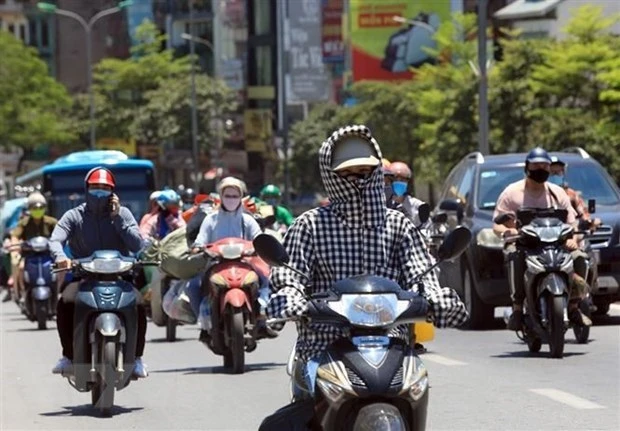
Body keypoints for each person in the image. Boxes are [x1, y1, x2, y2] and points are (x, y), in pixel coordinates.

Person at [267, 124, 468, 398]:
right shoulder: (309, 225)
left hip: (391, 346)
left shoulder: (398, 225)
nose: (358, 181)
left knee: (416, 392)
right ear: (331, 176)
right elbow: (290, 277)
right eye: (347, 175)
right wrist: (290, 298)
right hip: (322, 348)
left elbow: (421, 274)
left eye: (365, 173)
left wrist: (436, 298)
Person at [49, 167, 148, 377]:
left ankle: (137, 358)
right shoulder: (73, 216)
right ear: (87, 189)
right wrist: (61, 257)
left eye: (105, 188)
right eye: (95, 187)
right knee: (66, 302)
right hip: (84, 277)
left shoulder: (124, 214)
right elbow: (56, 239)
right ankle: (68, 356)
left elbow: (138, 244)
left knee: (138, 304)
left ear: (113, 191)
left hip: (119, 276)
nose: (100, 192)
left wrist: (118, 217)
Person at [493, 148, 592, 331]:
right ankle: (516, 309)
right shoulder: (512, 193)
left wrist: (573, 240)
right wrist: (507, 232)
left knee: (581, 258)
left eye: (545, 166)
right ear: (527, 167)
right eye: (536, 165)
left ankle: (574, 306)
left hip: (557, 245)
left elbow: (572, 223)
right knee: (515, 257)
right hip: (524, 245)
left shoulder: (557, 193)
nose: (541, 169)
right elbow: (497, 225)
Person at [190, 177, 276, 339]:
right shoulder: (210, 220)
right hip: (215, 263)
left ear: (241, 197)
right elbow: (200, 241)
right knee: (193, 286)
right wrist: (198, 248)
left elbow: (258, 238)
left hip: (245, 263)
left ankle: (262, 318)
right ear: (221, 197)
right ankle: (204, 325)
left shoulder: (248, 220)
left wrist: (260, 247)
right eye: (227, 195)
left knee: (267, 281)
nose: (231, 199)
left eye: (235, 196)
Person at [9, 192, 57, 303]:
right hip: (29, 255)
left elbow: (61, 234)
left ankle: (57, 292)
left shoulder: (52, 222)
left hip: (48, 255)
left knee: (60, 270)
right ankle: (22, 293)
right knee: (20, 268)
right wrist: (15, 246)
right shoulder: (24, 223)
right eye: (34, 207)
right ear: (29, 208)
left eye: (40, 207)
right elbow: (15, 236)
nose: (37, 209)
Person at [549, 157, 601, 229]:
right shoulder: (538, 193)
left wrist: (590, 222)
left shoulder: (571, 195)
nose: (555, 176)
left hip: (567, 235)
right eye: (551, 173)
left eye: (558, 172)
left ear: (563, 173)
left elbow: (583, 214)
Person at [385, 161, 429, 228]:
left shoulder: (418, 206)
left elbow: (427, 228)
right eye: (395, 179)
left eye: (403, 179)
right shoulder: (383, 204)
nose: (399, 182)